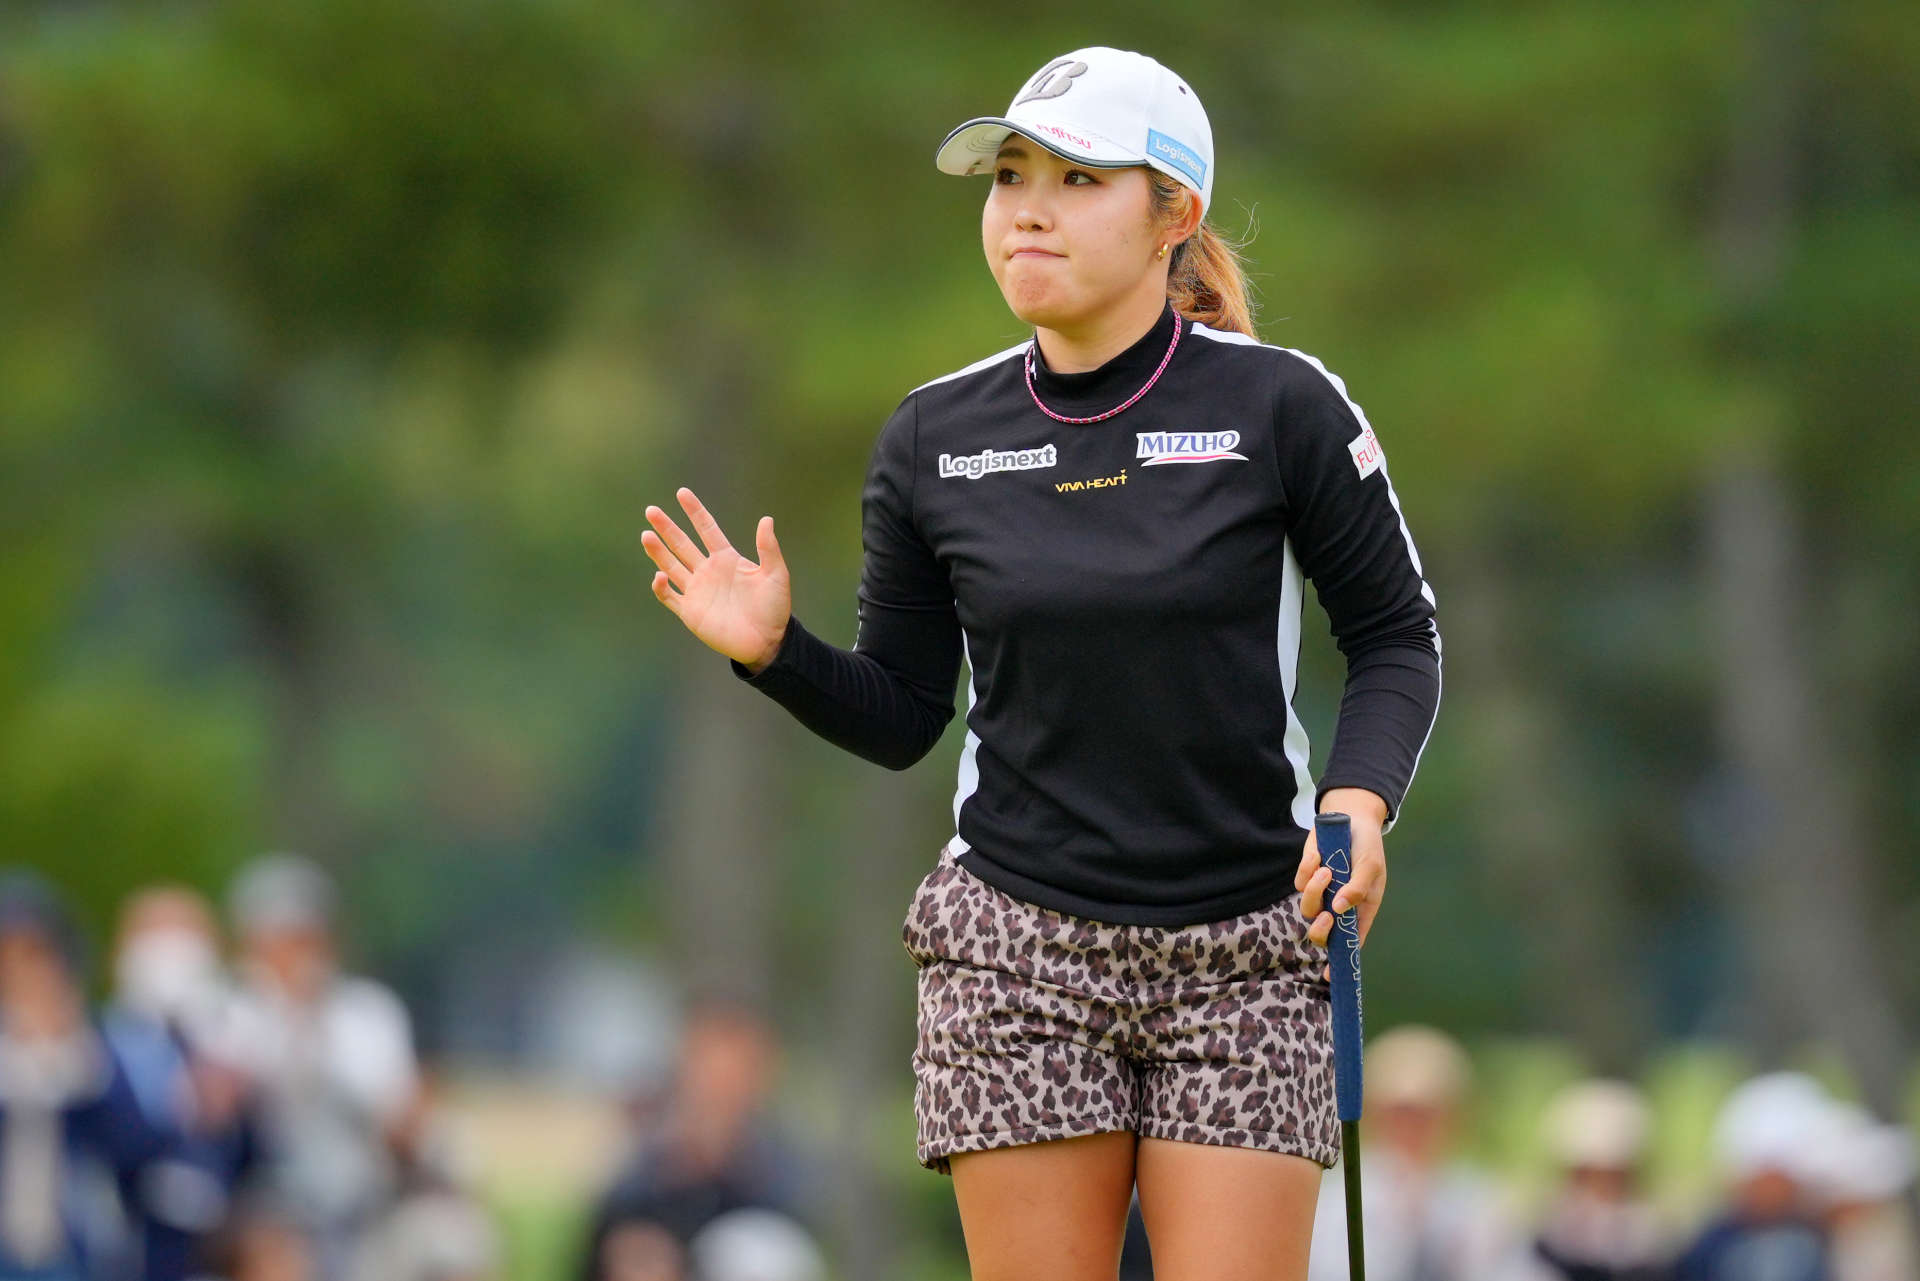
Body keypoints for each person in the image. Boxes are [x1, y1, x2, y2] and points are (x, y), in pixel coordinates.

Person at [640, 45, 1441, 1281]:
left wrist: (1358, 800)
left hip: (1245, 946)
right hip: (1017, 946)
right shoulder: (934, 438)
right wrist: (777, 656)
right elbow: (908, 713)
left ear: (1176, 215)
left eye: (1077, 179)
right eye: (1010, 175)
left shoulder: (1284, 408)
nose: (1027, 207)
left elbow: (1396, 637)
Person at [223, 853, 421, 1281]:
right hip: (266, 1210)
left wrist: (314, 1024)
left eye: (303, 939)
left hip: (360, 1204)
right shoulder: (231, 1012)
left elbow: (392, 1108)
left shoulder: (369, 1012)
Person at [1307, 1025, 1530, 1281]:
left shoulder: (1485, 1204)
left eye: (1427, 1114)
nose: (1412, 1126)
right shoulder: (1333, 1205)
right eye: (1400, 1112)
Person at [1526, 1077, 1672, 1281]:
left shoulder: (1651, 1250)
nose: (1600, 1190)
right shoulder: (1543, 1249)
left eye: (1613, 1177)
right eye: (1588, 1176)